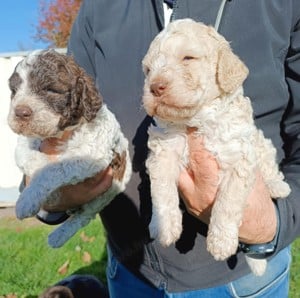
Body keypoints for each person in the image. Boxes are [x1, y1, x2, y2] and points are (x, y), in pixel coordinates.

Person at [37, 0, 300, 297]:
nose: (155, 82)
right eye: (148, 71)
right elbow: (59, 117)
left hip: (240, 276)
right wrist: (48, 190)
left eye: (188, 58)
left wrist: (275, 224)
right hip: (129, 268)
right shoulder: (97, 8)